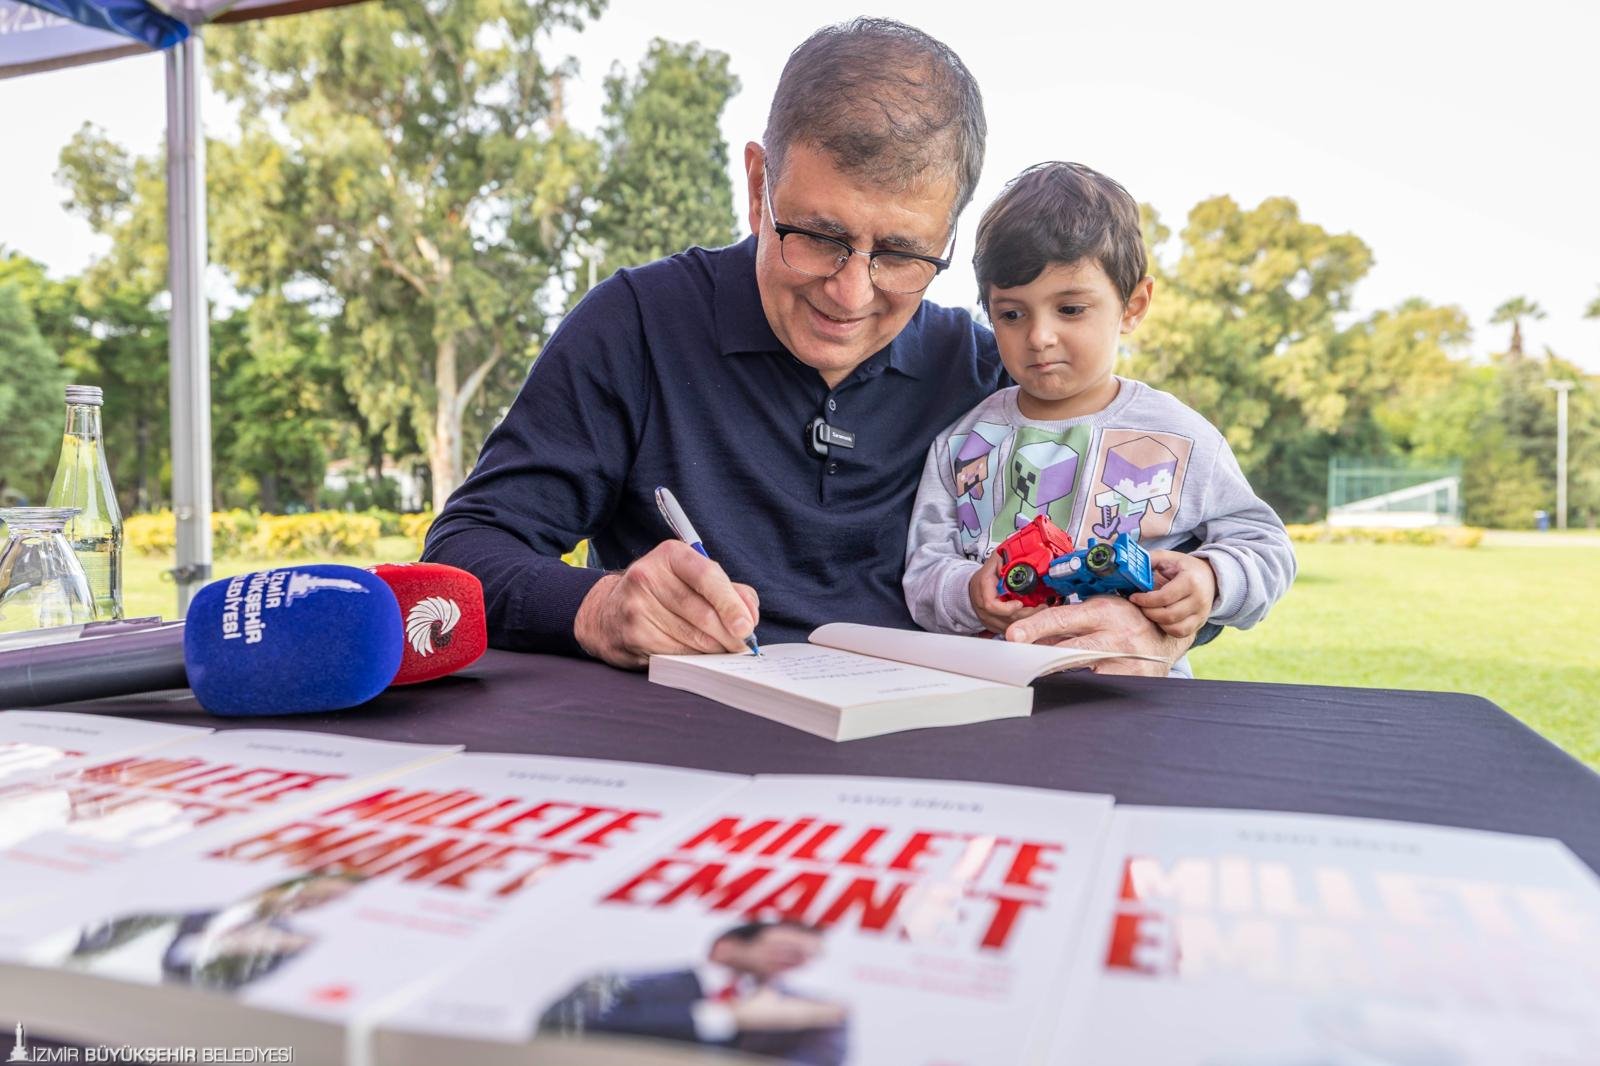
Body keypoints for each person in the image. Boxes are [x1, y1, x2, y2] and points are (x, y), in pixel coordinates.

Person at [424, 19, 1197, 675]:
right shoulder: (635, 326)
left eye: (902, 254)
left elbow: (1177, 541)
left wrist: (1154, 620)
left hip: (928, 766)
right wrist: (597, 605)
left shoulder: (989, 375)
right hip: (685, 756)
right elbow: (463, 554)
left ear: (949, 238)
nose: (850, 294)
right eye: (818, 237)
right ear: (758, 184)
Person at [903, 162, 1296, 676]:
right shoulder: (961, 443)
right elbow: (925, 569)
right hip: (989, 695)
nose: (1039, 336)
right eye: (1012, 314)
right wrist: (968, 591)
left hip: (1134, 697)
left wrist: (1210, 578)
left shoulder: (1180, 436)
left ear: (1133, 306)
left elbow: (1267, 546)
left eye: (1070, 309)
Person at [537, 919, 847, 1065]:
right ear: (725, 947)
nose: (798, 963)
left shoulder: (815, 1012)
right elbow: (558, 1026)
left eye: (809, 956)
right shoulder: (617, 981)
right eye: (787, 951)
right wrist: (723, 1018)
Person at [60, 870, 363, 991]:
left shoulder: (287, 942)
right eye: (305, 893)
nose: (304, 903)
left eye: (319, 902)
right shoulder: (186, 898)